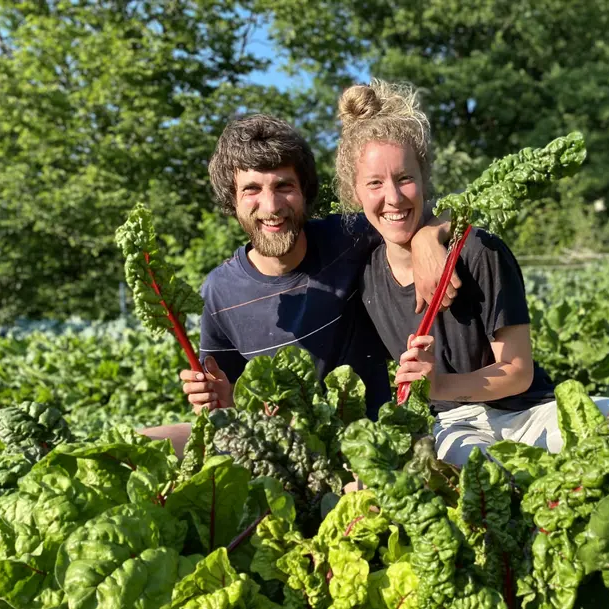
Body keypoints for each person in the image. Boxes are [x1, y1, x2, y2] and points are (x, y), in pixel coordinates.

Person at [334, 80, 609, 466]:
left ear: (424, 178)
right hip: (451, 425)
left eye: (405, 179)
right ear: (355, 191)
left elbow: (518, 372)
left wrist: (438, 384)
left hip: (527, 411)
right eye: (375, 184)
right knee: (482, 470)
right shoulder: (365, 278)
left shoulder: (478, 252)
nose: (394, 198)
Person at [142, 114, 452, 454]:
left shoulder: (347, 237)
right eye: (252, 189)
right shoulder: (219, 291)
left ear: (304, 192)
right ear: (232, 200)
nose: (271, 206)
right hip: (289, 453)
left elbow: (432, 210)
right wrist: (215, 400)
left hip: (371, 443)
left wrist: (427, 238)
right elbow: (230, 411)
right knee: (144, 444)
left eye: (284, 186)